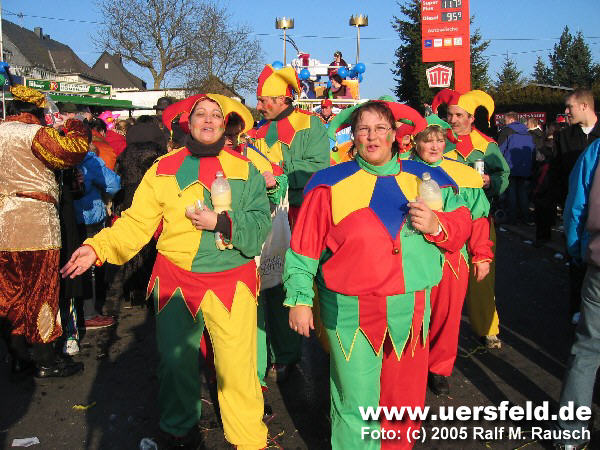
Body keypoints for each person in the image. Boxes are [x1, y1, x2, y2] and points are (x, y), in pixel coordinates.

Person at [61, 93, 272, 449]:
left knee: (238, 367)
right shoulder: (163, 168)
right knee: (176, 365)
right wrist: (98, 247)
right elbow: (136, 223)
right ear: (189, 123)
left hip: (231, 280)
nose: (208, 120)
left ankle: (249, 438)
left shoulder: (246, 168)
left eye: (216, 115)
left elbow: (260, 225)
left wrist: (222, 223)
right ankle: (178, 429)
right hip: (177, 281)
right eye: (201, 114)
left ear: (225, 124)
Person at [284, 100, 471, 449]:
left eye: (380, 128)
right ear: (353, 136)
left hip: (410, 307)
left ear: (395, 134)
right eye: (363, 129)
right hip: (350, 311)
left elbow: (462, 225)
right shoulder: (327, 184)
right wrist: (299, 299)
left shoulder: (428, 179)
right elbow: (304, 247)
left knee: (404, 401)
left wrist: (437, 225)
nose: (372, 137)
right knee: (355, 402)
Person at [0, 85, 88, 378]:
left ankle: (17, 354)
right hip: (35, 223)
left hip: (3, 223)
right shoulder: (34, 134)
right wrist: (74, 125)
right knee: (41, 290)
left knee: (9, 293)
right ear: (37, 112)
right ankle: (45, 358)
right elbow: (73, 151)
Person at [249, 63, 330, 382]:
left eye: (263, 100)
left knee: (290, 283)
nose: (258, 106)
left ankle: (290, 352)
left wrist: (279, 172)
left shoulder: (311, 125)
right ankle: (266, 352)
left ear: (282, 99)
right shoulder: (254, 131)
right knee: (265, 284)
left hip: (299, 215)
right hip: (264, 215)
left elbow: (318, 170)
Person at [409, 115, 493, 396]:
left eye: (439, 140)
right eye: (427, 141)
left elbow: (478, 218)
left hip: (452, 260)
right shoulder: (402, 172)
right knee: (413, 315)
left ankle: (438, 368)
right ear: (416, 143)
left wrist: (481, 254)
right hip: (414, 257)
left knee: (447, 317)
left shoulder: (464, 175)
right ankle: (412, 365)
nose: (434, 146)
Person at [433, 88, 510, 349]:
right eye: (450, 115)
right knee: (443, 279)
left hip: (480, 219)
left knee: (482, 277)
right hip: (447, 221)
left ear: (470, 118)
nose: (453, 120)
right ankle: (439, 333)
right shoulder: (440, 141)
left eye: (458, 115)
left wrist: (492, 181)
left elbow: (503, 174)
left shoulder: (486, 145)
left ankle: (487, 328)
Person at [553, 136, 600, 450]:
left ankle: (570, 433)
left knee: (587, 349)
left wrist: (576, 248)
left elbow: (577, 203)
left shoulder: (596, 150)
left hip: (598, 262)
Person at [103, 117, 167, 316]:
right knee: (151, 244)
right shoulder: (158, 152)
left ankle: (132, 290)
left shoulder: (126, 153)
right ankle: (150, 289)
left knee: (130, 242)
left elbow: (118, 177)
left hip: (127, 198)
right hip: (150, 198)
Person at [551, 89, 600, 324]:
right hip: (574, 210)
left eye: (569, 107)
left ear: (584, 106)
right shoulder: (564, 137)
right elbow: (557, 172)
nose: (566, 111)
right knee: (576, 263)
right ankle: (576, 310)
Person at [73, 139, 121, 330]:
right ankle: (89, 313)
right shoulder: (89, 160)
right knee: (89, 265)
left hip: (67, 217)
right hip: (90, 217)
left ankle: (77, 314)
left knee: (72, 263)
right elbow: (113, 184)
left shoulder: (60, 157)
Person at [498, 112, 535, 225]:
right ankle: (525, 217)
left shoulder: (506, 131)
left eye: (505, 120)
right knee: (522, 192)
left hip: (510, 166)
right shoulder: (528, 133)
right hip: (525, 167)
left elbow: (500, 150)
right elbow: (532, 150)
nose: (504, 123)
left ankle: (512, 219)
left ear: (511, 120)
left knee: (511, 193)